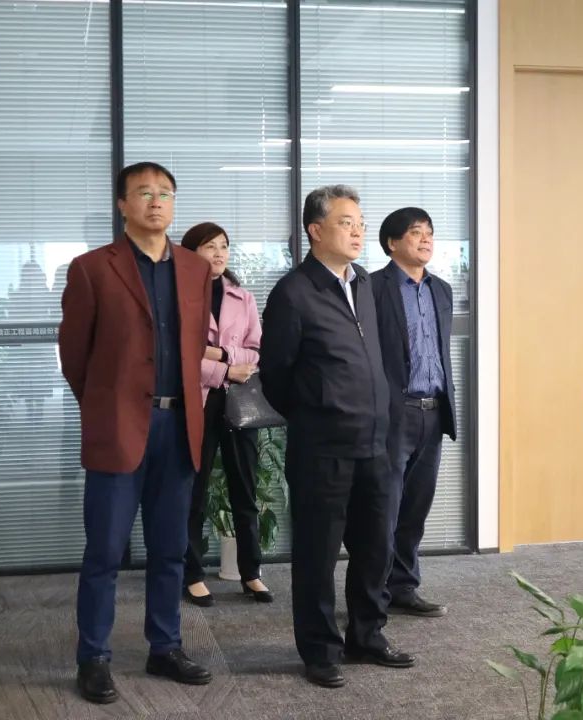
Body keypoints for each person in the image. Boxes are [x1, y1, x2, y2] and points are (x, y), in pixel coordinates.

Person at [59, 161, 214, 705]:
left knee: (171, 548)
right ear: (122, 204)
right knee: (104, 551)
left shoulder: (196, 269)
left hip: (180, 425)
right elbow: (74, 356)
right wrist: (107, 407)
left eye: (165, 193)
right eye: (144, 193)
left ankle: (164, 646)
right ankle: (93, 657)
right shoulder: (91, 268)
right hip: (120, 426)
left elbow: (194, 347)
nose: (156, 201)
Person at [260, 185, 415, 689]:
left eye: (360, 223)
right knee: (318, 555)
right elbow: (276, 374)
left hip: (375, 443)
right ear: (316, 230)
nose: (357, 232)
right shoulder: (294, 292)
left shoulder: (365, 284)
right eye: (346, 223)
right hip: (322, 448)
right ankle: (320, 649)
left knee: (375, 547)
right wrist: (318, 411)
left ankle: (366, 636)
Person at [179, 221, 273, 606]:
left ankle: (251, 573)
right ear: (190, 254)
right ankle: (191, 574)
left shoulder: (242, 297)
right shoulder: (180, 296)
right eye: (209, 247)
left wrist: (220, 355)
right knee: (194, 491)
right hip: (199, 401)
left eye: (223, 246)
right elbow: (180, 353)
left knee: (244, 489)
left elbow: (257, 349)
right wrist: (224, 370)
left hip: (238, 402)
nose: (218, 253)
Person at [371, 207, 457, 618]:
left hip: (433, 411)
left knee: (415, 507)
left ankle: (403, 586)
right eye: (415, 232)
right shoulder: (372, 288)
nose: (426, 239)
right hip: (393, 413)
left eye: (430, 233)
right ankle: (371, 593)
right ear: (392, 243)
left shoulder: (442, 289)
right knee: (382, 508)